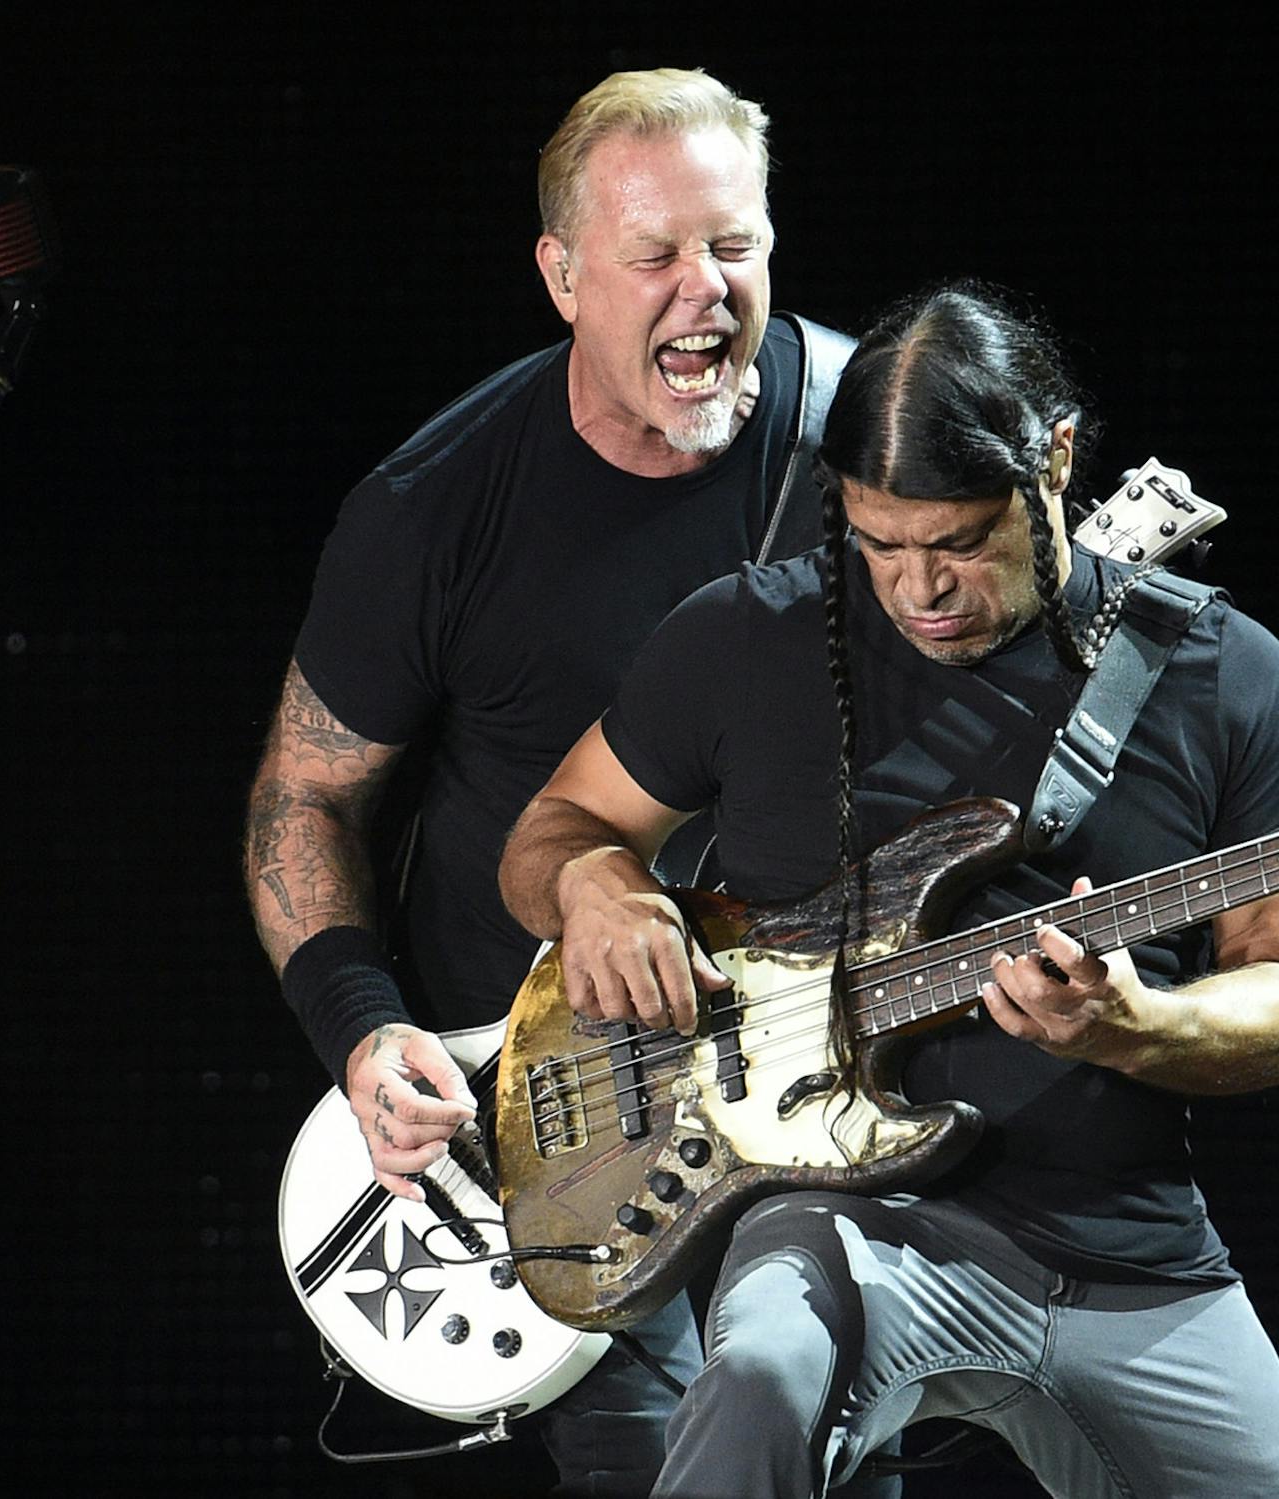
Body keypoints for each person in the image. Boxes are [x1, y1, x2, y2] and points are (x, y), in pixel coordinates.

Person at [497, 283, 1279, 1497]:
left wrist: (1137, 1024)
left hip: (1127, 1248)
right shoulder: (740, 638)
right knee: (763, 1369)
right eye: (879, 544)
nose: (918, 589)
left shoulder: (1228, 675)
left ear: (1055, 460)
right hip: (843, 1218)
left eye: (959, 543)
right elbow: (554, 828)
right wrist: (596, 884)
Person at [243, 68, 850, 1495]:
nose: (706, 291)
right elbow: (304, 801)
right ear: (563, 276)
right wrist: (364, 1032)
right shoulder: (434, 505)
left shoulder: (870, 437)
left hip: (823, 1079)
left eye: (736, 246)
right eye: (656, 256)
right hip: (569, 1123)